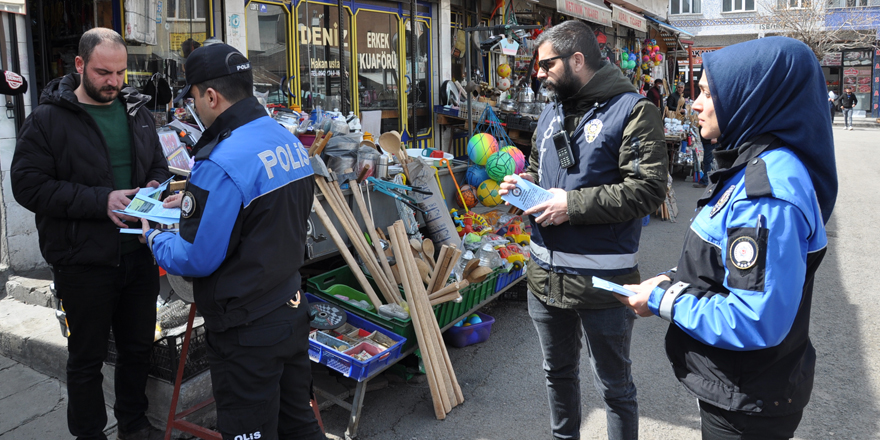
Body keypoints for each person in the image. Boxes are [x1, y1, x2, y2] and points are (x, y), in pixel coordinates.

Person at [616, 36, 837, 439]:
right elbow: (724, 262)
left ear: (749, 95)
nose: (694, 104)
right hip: (743, 390)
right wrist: (668, 280)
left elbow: (754, 319)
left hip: (746, 402)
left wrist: (665, 301)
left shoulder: (766, 194)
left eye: (705, 92)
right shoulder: (756, 161)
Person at [142, 44, 325, 440]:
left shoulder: (219, 162)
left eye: (193, 98)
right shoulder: (288, 141)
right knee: (298, 423)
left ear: (211, 96)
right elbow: (265, 216)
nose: (194, 107)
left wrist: (153, 235)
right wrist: (194, 202)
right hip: (290, 307)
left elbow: (196, 257)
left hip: (247, 329)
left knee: (250, 432)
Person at [499, 20, 668, 440]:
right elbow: (541, 170)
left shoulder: (633, 111)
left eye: (545, 64)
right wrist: (523, 192)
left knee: (614, 389)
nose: (538, 73)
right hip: (543, 279)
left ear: (578, 59)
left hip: (604, 284)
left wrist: (570, 206)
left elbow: (647, 190)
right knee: (557, 374)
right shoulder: (552, 111)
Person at [11, 28, 170, 440]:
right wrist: (102, 200)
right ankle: (89, 434)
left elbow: (158, 165)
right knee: (86, 358)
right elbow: (27, 186)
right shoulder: (47, 119)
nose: (114, 82)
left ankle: (134, 426)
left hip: (138, 253)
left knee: (138, 349)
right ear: (80, 65)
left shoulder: (136, 111)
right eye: (103, 72)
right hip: (82, 261)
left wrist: (153, 193)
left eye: (120, 72)